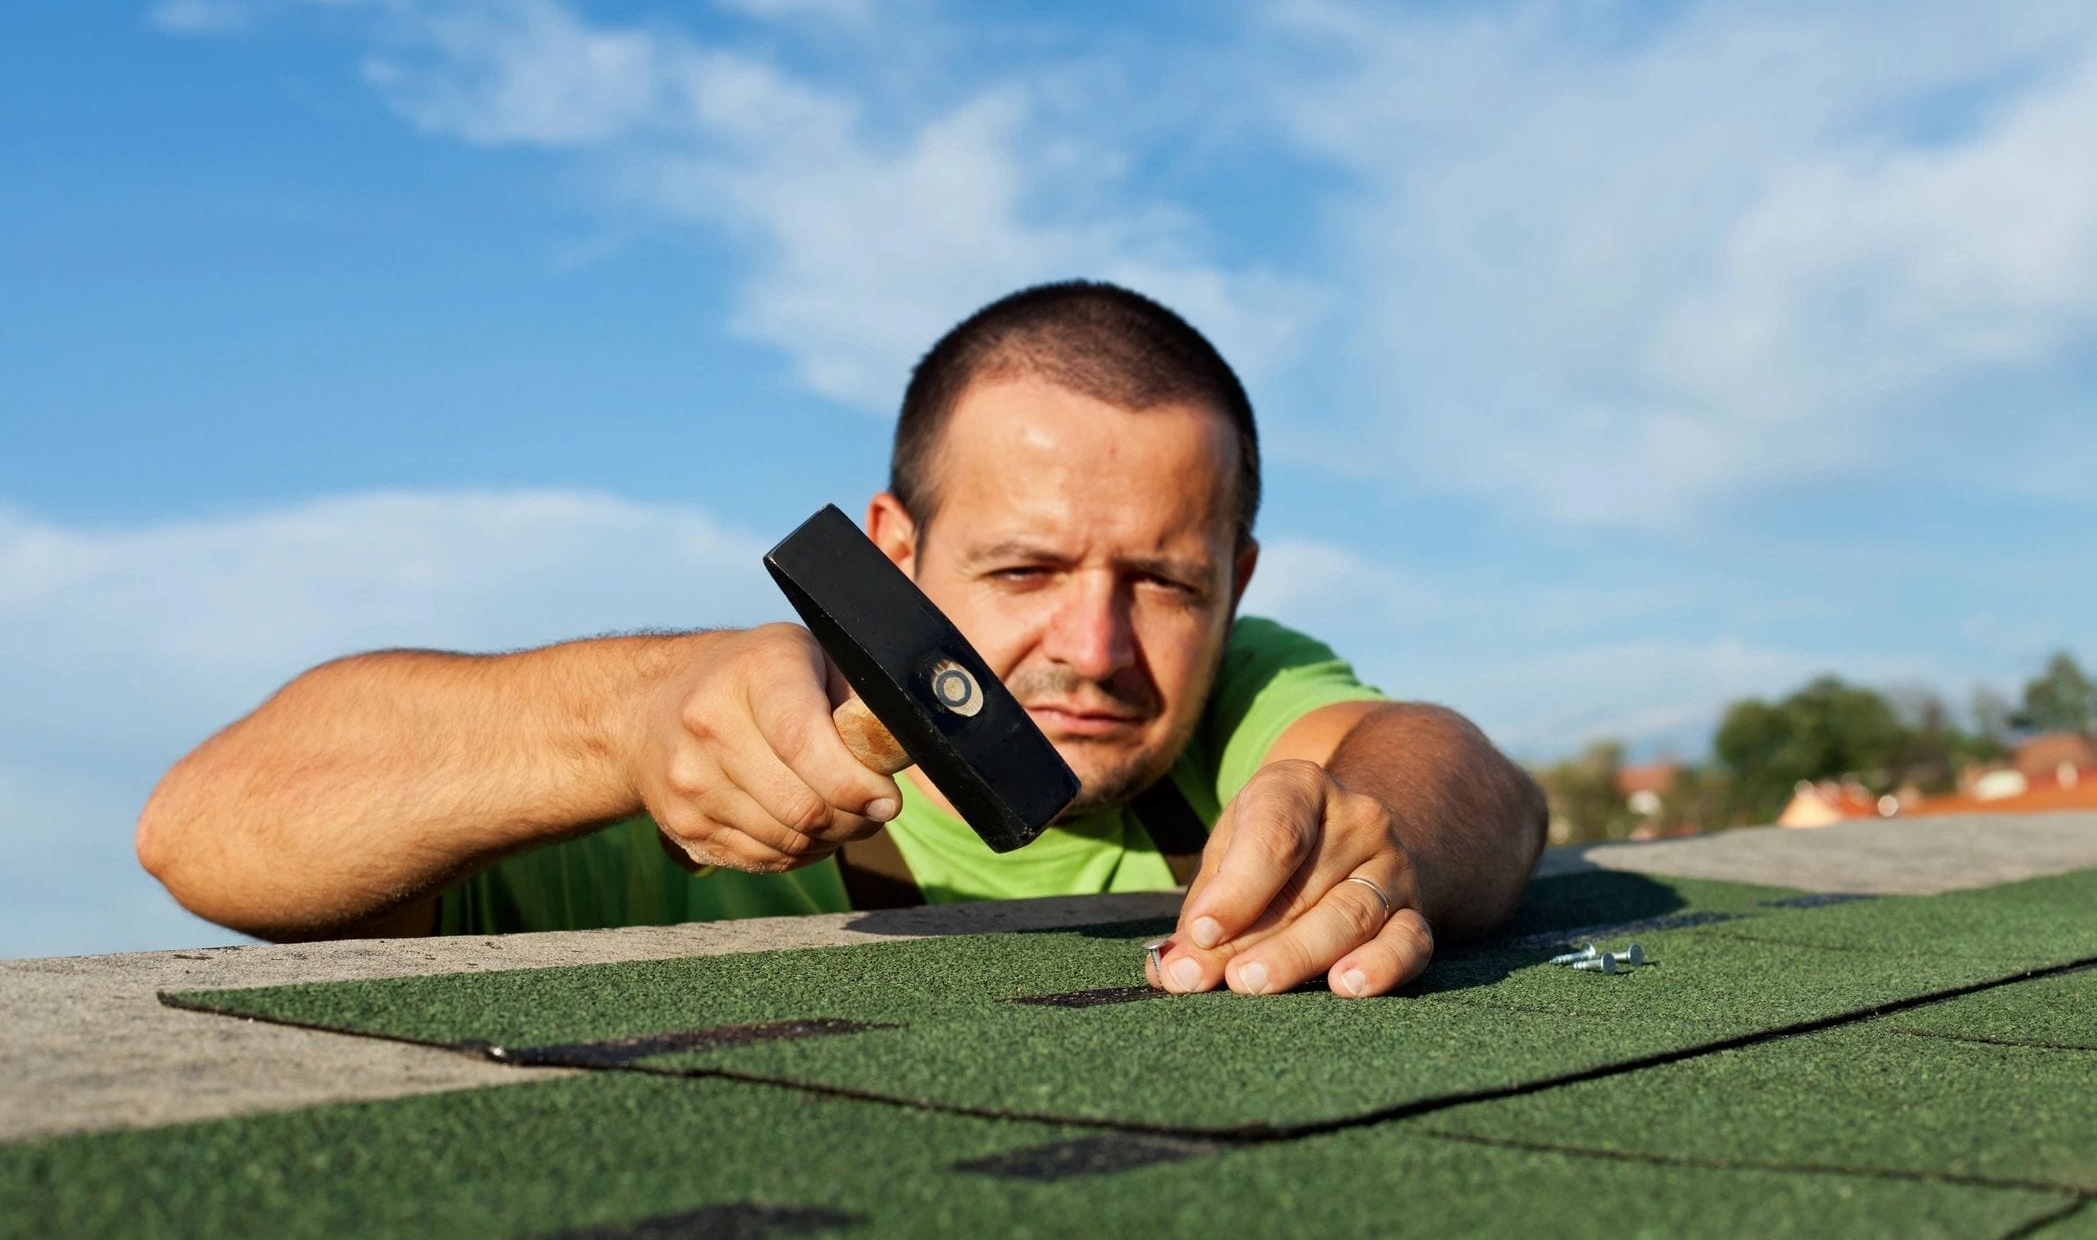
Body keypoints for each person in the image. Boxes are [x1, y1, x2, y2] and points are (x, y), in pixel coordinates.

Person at [138, 281, 1547, 997]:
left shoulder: (1242, 702)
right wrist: (627, 721)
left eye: (1166, 583)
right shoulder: (702, 746)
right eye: (1026, 566)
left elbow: (1462, 775)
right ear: (895, 551)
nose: (1098, 643)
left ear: (1236, 582)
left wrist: (1383, 833)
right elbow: (201, 833)